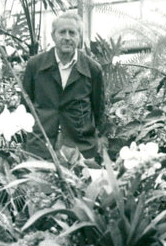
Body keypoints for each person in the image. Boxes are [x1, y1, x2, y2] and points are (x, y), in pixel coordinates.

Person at [21, 11, 105, 160]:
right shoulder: (35, 66)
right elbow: (25, 107)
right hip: (40, 148)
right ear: (53, 36)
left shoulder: (93, 70)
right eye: (62, 32)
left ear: (79, 37)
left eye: (72, 33)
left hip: (80, 149)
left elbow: (98, 111)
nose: (67, 37)